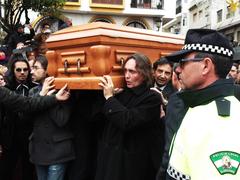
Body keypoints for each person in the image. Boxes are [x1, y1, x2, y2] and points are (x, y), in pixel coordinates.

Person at [157, 29, 240, 179]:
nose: (177, 69)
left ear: (206, 66)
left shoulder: (221, 122)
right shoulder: (198, 105)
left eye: (183, 63)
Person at [95, 53, 163, 180]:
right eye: (125, 70)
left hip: (131, 165)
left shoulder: (152, 98)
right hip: (110, 159)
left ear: (144, 73)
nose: (126, 76)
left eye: (132, 72)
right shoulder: (120, 92)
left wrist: (109, 98)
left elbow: (127, 121)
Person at [28, 55, 75, 180]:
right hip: (39, 151)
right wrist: (43, 95)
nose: (31, 71)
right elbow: (26, 117)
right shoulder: (33, 92)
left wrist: (51, 98)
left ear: (47, 70)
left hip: (57, 151)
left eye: (35, 67)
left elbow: (61, 120)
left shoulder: (63, 91)